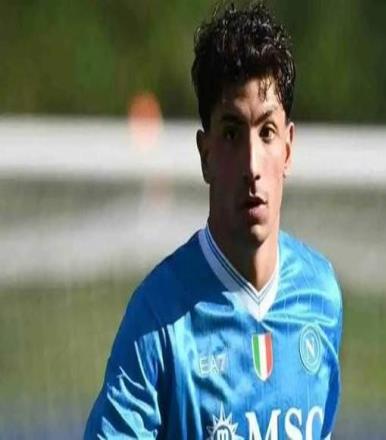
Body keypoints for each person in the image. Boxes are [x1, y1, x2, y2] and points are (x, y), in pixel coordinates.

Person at [84, 2, 342, 439]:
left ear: (288, 148)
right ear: (205, 156)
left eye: (266, 132)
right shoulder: (158, 316)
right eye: (231, 133)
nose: (252, 165)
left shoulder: (321, 295)